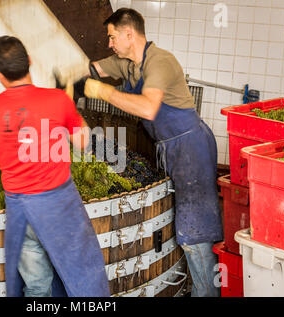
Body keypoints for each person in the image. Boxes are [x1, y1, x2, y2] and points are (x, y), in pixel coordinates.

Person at [80, 8, 223, 297]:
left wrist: (103, 92)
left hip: (190, 147)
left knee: (195, 232)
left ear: (128, 34)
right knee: (187, 225)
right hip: (169, 147)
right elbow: (93, 69)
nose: (109, 43)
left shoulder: (161, 62)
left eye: (111, 37)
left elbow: (148, 108)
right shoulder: (127, 64)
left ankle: (207, 293)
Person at [0, 36, 110, 297]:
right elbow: (83, 142)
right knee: (83, 276)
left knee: (37, 286)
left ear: (0, 76)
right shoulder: (58, 100)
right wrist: (70, 103)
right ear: (30, 62)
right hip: (61, 206)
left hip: (22, 211)